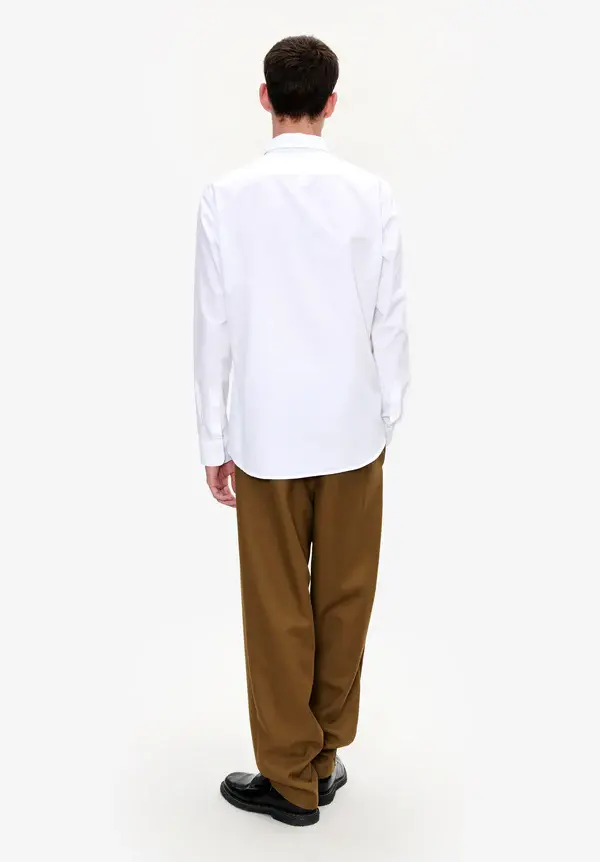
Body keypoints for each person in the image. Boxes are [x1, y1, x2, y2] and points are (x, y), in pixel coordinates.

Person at [193, 34, 409, 827]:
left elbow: (212, 326)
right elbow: (391, 318)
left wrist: (212, 440)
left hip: (266, 430)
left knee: (277, 602)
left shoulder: (226, 196)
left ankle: (291, 775)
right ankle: (321, 755)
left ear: (265, 98)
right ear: (331, 103)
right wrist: (388, 412)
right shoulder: (371, 194)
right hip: (352, 425)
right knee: (346, 595)